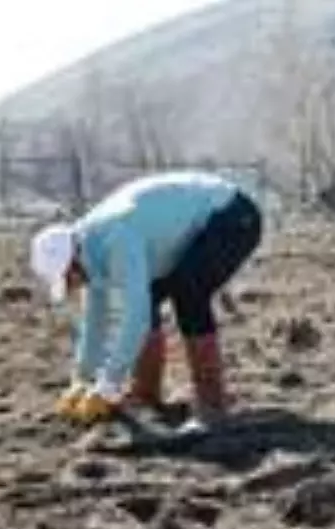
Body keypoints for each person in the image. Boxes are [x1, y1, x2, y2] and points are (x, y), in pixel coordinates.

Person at [27, 170, 263, 431]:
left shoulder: (115, 238)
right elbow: (95, 319)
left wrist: (108, 385)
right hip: (192, 229)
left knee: (188, 291)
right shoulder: (89, 253)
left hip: (233, 216)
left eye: (67, 280)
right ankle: (146, 395)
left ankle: (212, 406)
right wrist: (81, 380)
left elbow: (134, 317)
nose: (71, 287)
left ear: (72, 264)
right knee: (149, 295)